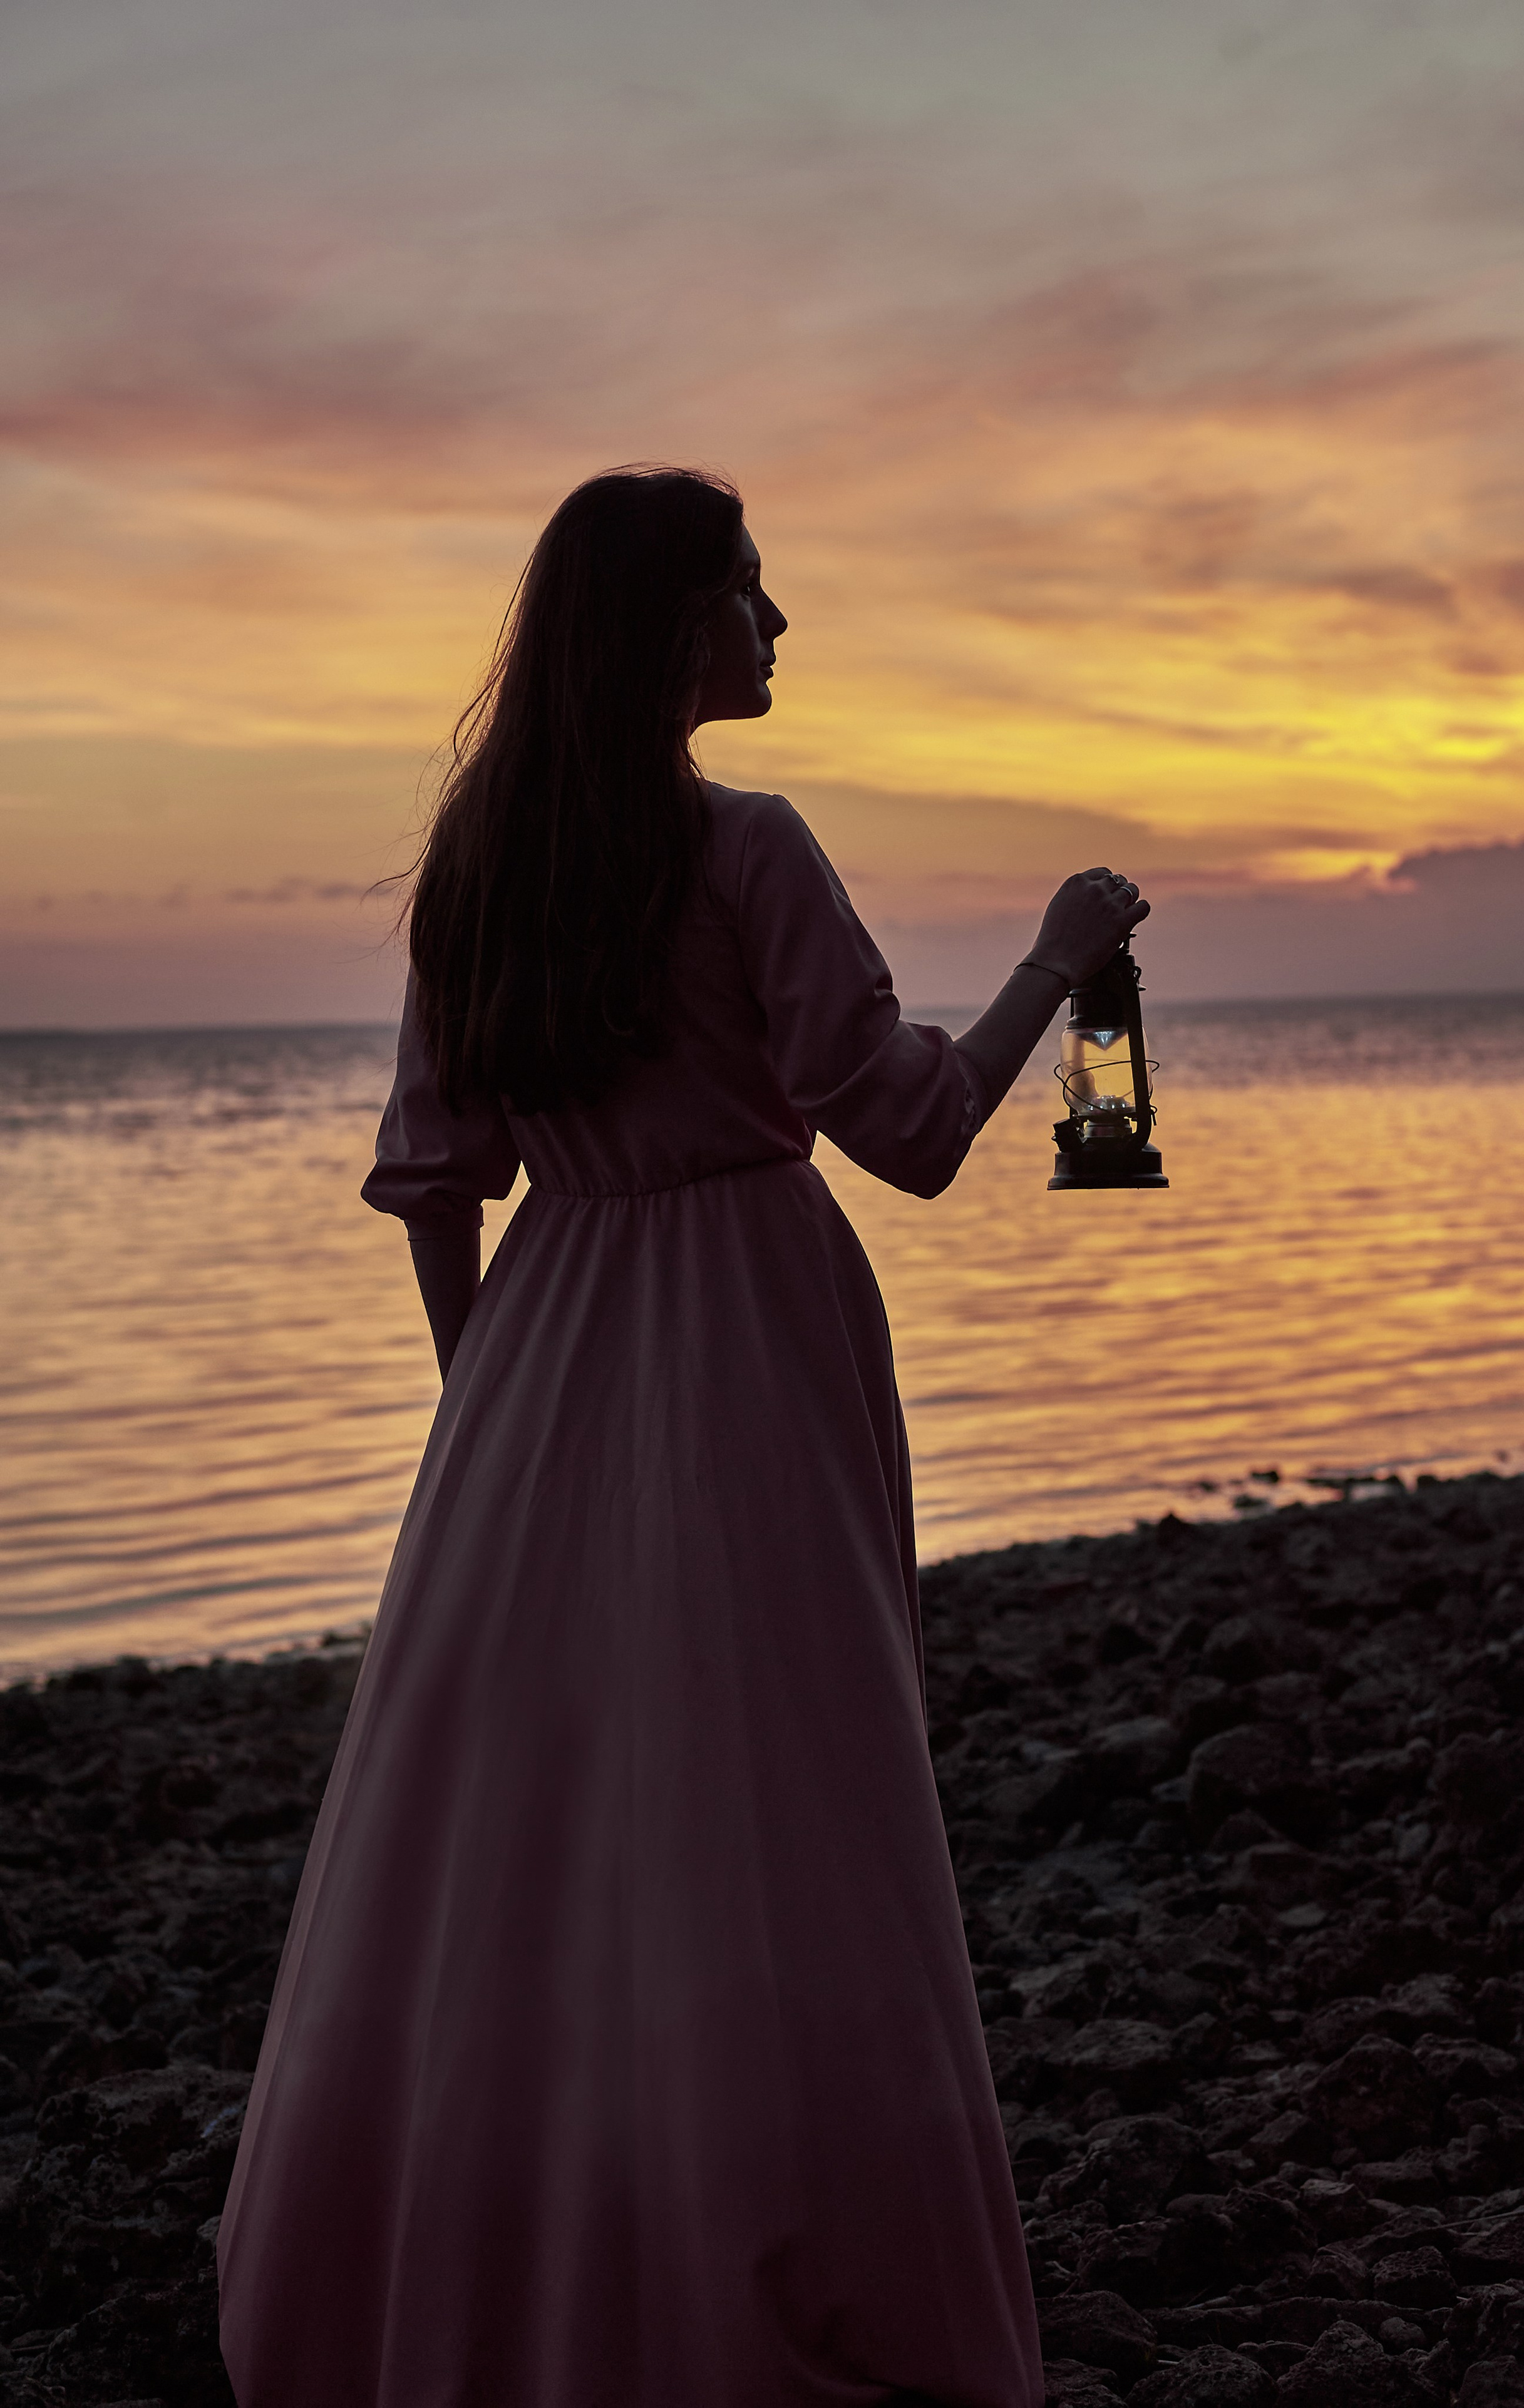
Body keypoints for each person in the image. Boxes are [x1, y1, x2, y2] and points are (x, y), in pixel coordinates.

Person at [217, 465, 1148, 2408]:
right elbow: (909, 1133)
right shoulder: (749, 848)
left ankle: (487, 2254)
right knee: (777, 1799)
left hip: (539, 1350)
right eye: (749, 590)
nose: (778, 621)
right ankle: (775, 2254)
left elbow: (436, 1181)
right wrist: (1063, 959)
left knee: (534, 1822)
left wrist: (481, 1407)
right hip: (744, 1330)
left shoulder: (486, 865)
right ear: (666, 637)